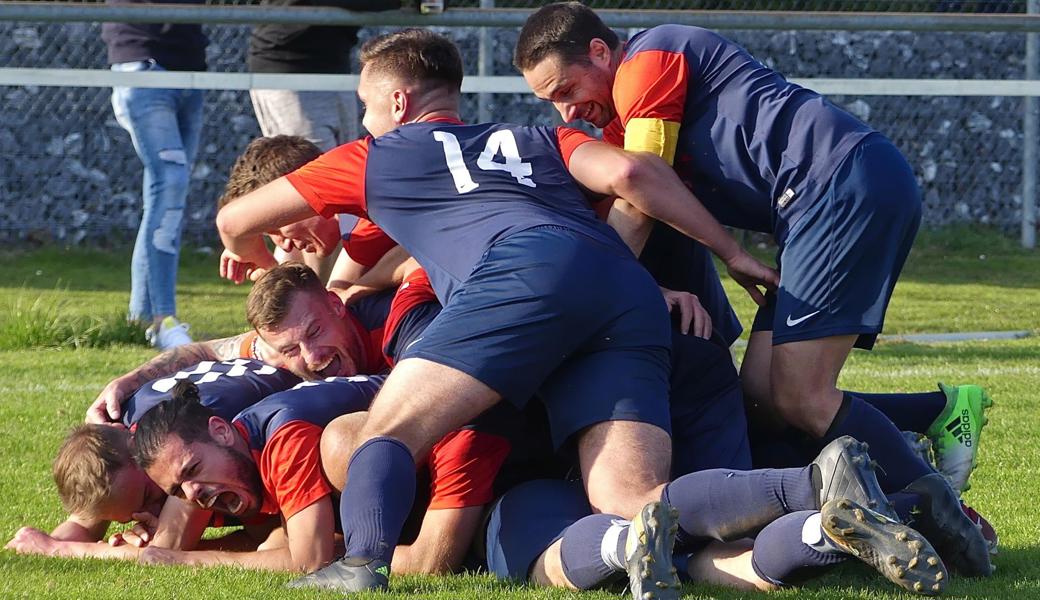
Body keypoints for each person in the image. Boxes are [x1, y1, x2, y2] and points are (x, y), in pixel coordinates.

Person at [214, 27, 780, 597]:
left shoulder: (376, 156)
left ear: (398, 102)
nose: (365, 122)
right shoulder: (540, 135)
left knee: (388, 430)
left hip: (524, 275)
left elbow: (234, 221)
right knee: (628, 498)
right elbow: (634, 174)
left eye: (366, 107)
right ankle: (814, 488)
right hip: (625, 287)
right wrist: (732, 252)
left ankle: (362, 563)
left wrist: (253, 259)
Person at [515, 3, 993, 526]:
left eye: (565, 91)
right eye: (550, 102)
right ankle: (934, 412)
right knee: (763, 396)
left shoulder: (649, 59)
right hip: (817, 202)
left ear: (600, 52)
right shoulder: (623, 116)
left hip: (835, 187)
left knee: (800, 395)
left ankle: (951, 520)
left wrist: (592, 290)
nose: (566, 112)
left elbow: (639, 187)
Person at [7, 359, 301, 558]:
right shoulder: (125, 440)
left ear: (138, 448)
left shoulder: (179, 444)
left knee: (273, 543)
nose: (151, 509)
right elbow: (84, 523)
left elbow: (165, 551)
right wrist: (37, 544)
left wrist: (63, 550)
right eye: (134, 513)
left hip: (308, 432)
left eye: (149, 494)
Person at [248, 0, 399, 280]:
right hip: (289, 68)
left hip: (332, 65)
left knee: (339, 193)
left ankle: (308, 299)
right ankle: (302, 302)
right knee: (317, 197)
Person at [102, 0, 207, 349]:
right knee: (170, 186)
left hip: (191, 69)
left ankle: (141, 319)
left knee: (166, 193)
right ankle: (165, 319)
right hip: (141, 65)